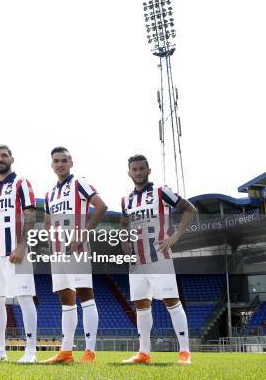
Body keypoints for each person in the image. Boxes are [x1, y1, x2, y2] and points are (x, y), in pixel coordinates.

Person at [120, 154, 196, 365]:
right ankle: (143, 352)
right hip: (137, 262)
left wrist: (176, 236)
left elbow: (190, 209)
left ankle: (185, 352)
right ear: (129, 172)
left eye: (141, 168)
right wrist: (124, 242)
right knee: (141, 305)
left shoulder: (161, 191)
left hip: (159, 257)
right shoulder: (127, 200)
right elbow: (123, 224)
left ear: (148, 170)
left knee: (172, 302)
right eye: (134, 169)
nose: (137, 172)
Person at [43, 147, 107, 364]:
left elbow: (101, 206)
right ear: (51, 165)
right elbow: (48, 220)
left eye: (63, 160)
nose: (59, 164)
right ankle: (66, 352)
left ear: (71, 163)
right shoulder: (50, 193)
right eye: (56, 161)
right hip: (57, 252)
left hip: (77, 249)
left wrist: (83, 233)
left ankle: (89, 352)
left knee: (85, 295)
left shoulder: (79, 183)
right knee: (65, 300)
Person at [0, 145, 38, 364]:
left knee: (24, 299)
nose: (0, 159)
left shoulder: (22, 183)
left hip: (16, 253)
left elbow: (30, 214)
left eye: (4, 155)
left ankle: (31, 351)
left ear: (12, 158)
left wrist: (22, 246)